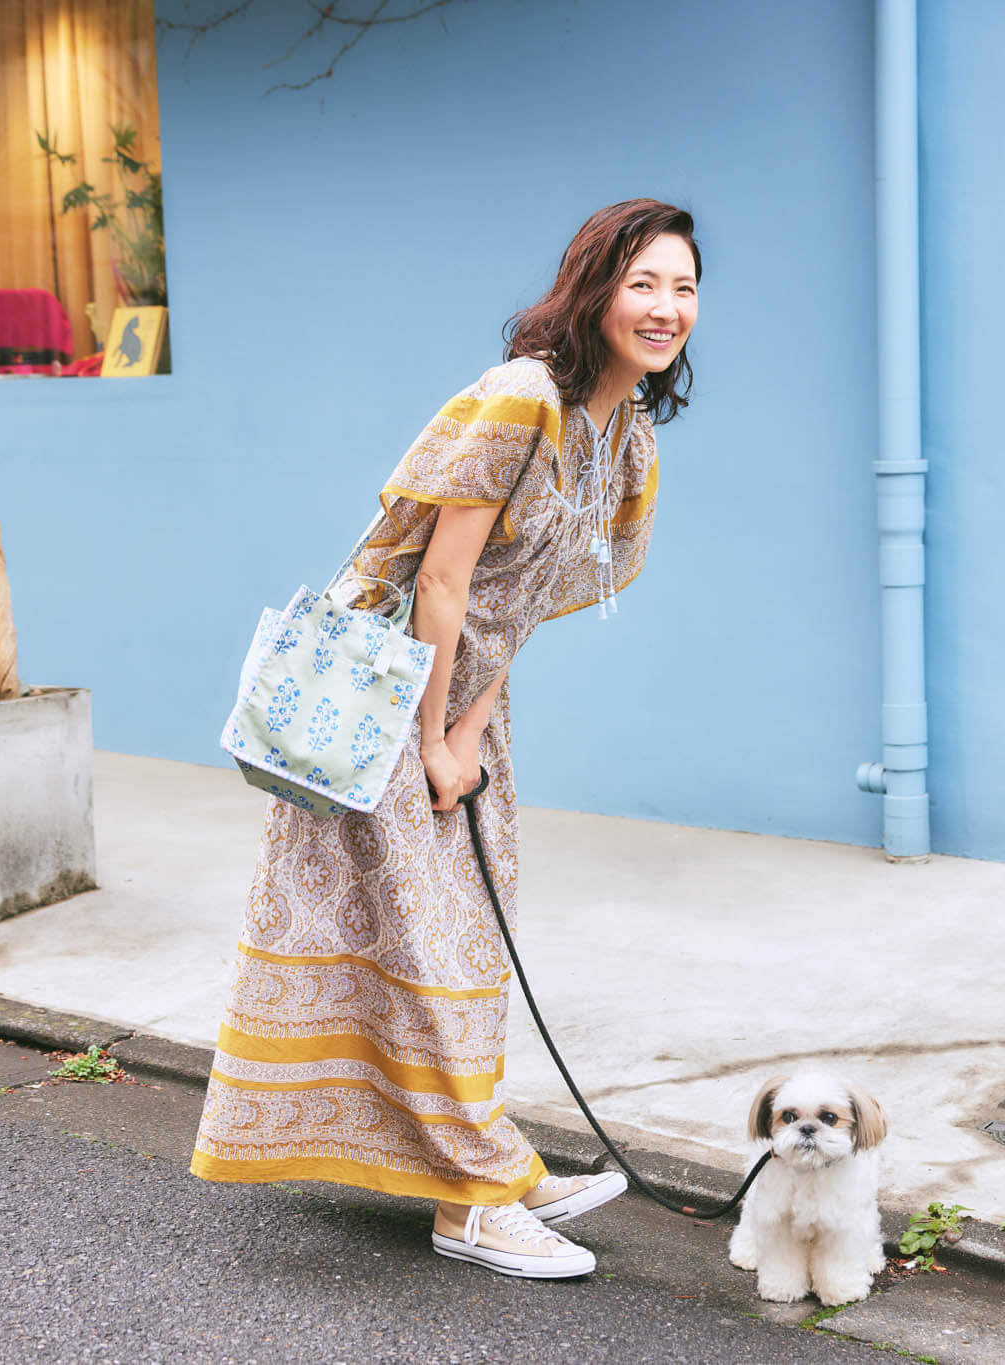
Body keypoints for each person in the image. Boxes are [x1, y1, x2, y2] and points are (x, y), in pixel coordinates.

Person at [189, 200, 701, 1279]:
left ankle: (489, 1165)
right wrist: (427, 739)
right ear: (594, 288)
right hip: (381, 700)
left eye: (683, 287)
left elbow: (526, 604)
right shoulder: (522, 400)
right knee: (426, 950)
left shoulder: (627, 436)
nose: (664, 308)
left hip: (463, 708)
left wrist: (469, 727)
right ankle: (469, 1201)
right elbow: (442, 575)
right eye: (643, 283)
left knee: (464, 940)